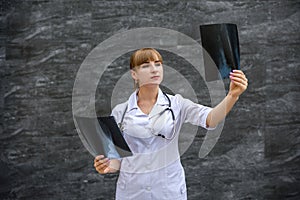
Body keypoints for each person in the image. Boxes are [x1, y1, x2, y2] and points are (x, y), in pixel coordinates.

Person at [94, 48, 248, 200]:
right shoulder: (120, 111)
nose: (154, 69)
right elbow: (117, 161)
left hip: (168, 190)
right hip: (132, 191)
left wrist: (232, 96)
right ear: (134, 74)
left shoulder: (177, 104)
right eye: (146, 65)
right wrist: (106, 167)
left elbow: (211, 118)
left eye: (158, 64)